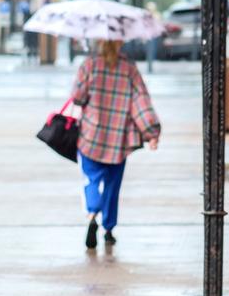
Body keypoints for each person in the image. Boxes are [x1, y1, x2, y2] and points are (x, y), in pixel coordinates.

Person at [69, 40, 161, 249]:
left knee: (91, 180)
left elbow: (77, 97)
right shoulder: (129, 68)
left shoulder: (89, 65)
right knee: (112, 185)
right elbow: (141, 102)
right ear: (119, 43)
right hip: (118, 139)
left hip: (91, 136)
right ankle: (108, 229)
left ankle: (92, 213)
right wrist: (151, 132)